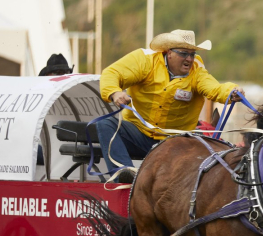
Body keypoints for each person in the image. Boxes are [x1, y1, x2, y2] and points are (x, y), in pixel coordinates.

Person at [97, 29, 243, 182]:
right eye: (183, 53)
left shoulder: (198, 71)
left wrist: (231, 92)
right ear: (169, 52)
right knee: (105, 125)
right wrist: (114, 92)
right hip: (139, 133)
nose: (189, 59)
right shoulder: (145, 60)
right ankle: (123, 175)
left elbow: (214, 88)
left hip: (175, 142)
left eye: (192, 54)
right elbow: (112, 73)